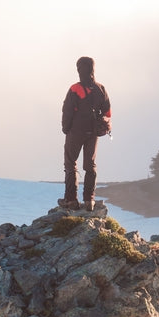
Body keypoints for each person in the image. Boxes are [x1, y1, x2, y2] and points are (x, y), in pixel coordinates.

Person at [60, 56, 111, 211]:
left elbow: (67, 111)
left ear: (79, 69)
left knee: (70, 164)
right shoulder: (101, 88)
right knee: (90, 166)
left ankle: (71, 200)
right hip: (94, 133)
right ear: (92, 69)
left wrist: (65, 128)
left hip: (76, 132)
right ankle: (89, 201)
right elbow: (107, 112)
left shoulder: (75, 88)